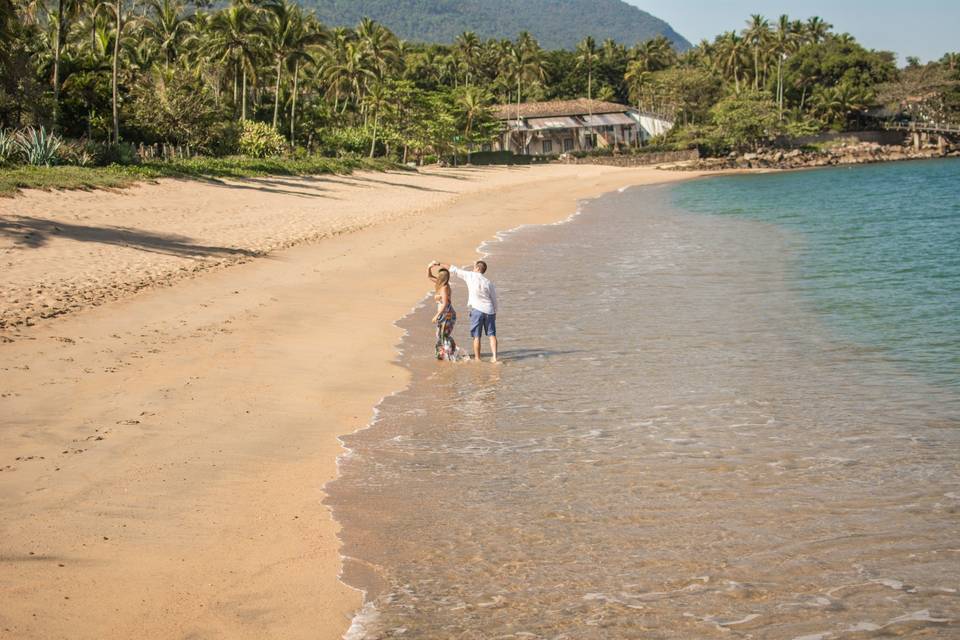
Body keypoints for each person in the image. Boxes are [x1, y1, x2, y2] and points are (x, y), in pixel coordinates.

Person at [435, 259, 498, 363]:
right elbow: (494, 300)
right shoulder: (488, 282)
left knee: (477, 336)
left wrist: (438, 263)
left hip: (477, 310)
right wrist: (494, 312)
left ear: (477, 268)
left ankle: (478, 359)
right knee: (492, 335)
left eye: (474, 267)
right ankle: (495, 357)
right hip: (489, 310)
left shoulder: (470, 276)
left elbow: (453, 269)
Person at [427, 262, 459, 361]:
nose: (437, 276)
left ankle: (449, 353)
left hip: (447, 314)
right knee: (440, 335)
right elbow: (429, 276)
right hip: (444, 314)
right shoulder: (440, 284)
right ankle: (445, 353)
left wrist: (436, 315)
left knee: (442, 335)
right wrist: (429, 267)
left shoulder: (444, 287)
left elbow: (445, 304)